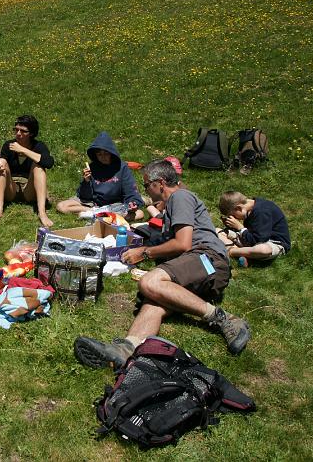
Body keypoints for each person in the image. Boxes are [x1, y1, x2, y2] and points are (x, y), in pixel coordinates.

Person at [73, 159, 250, 371]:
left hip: (208, 259)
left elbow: (183, 243)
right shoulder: (170, 207)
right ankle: (126, 349)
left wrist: (145, 252)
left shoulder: (180, 196)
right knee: (155, 300)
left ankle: (222, 319)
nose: (146, 188)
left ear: (161, 183)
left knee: (150, 282)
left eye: (147, 184)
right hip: (196, 265)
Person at [56, 131, 144, 221]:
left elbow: (131, 192)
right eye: (99, 154)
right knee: (61, 206)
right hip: (93, 204)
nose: (103, 157)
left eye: (106, 153)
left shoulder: (121, 168)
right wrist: (86, 181)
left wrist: (133, 204)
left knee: (139, 213)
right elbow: (85, 197)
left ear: (111, 153)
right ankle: (98, 213)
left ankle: (99, 214)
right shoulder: (92, 167)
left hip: (115, 205)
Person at [0, 115, 55, 228]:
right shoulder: (8, 145)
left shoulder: (39, 146)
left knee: (39, 167)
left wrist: (23, 150)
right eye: (16, 129)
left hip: (29, 189)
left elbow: (49, 163)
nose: (18, 133)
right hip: (11, 188)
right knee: (1, 162)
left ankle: (42, 213)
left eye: (23, 131)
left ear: (31, 133)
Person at [218, 191, 291, 266]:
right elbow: (251, 235)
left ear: (239, 208)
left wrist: (240, 228)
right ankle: (245, 254)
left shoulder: (262, 211)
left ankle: (232, 251)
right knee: (216, 231)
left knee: (263, 250)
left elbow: (259, 240)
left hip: (272, 243)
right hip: (251, 239)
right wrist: (231, 226)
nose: (234, 218)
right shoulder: (249, 209)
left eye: (233, 215)